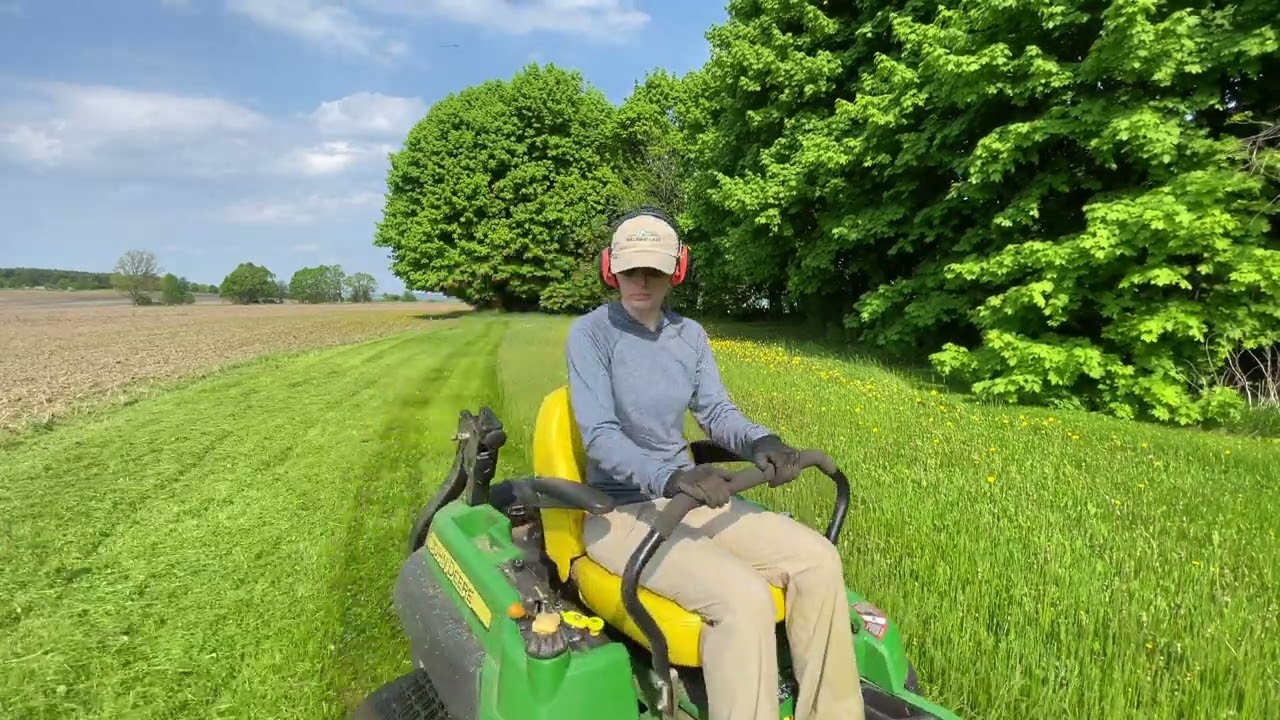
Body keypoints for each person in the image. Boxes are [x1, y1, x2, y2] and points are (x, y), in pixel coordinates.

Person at [564, 206, 865, 720]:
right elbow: (600, 436)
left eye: (654, 269)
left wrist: (761, 442)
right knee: (743, 598)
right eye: (630, 267)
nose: (641, 280)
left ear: (675, 270)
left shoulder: (690, 337)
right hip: (617, 511)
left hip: (687, 497)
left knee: (818, 560)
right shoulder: (591, 335)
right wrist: (669, 475)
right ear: (609, 268)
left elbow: (717, 412)